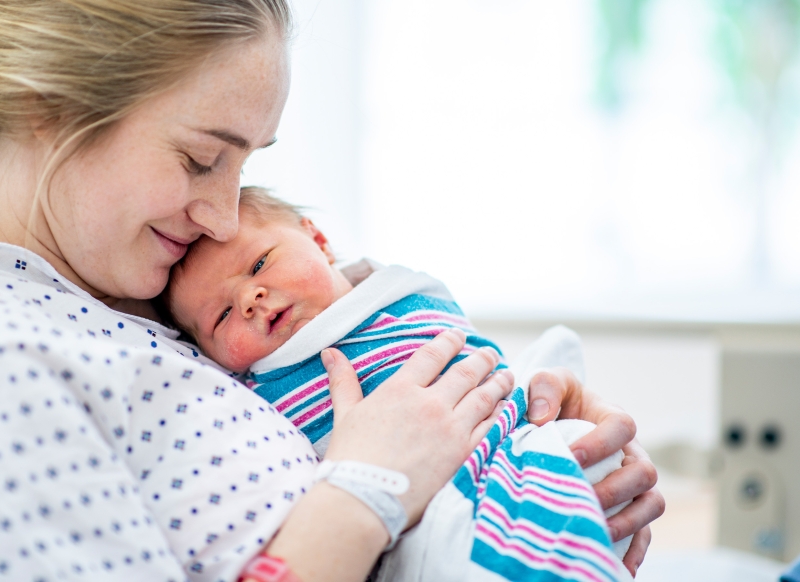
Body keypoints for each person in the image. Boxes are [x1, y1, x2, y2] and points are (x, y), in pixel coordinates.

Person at [0, 0, 663, 580]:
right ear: (48, 105)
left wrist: (533, 460)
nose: (222, 213)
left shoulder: (119, 311)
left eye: (246, 166)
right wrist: (367, 488)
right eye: (203, 158)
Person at [161, 187, 633, 581]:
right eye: (221, 315)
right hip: (423, 505)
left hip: (512, 439)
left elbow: (476, 354)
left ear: (319, 240)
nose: (249, 297)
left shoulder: (394, 295)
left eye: (260, 263)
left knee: (580, 450)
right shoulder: (247, 393)